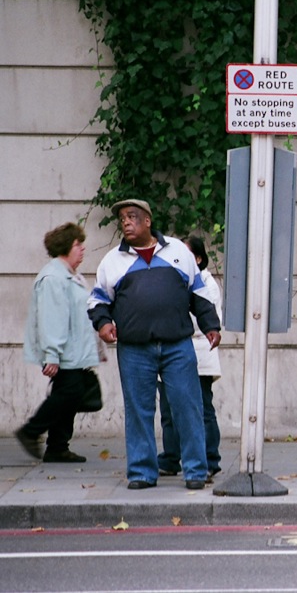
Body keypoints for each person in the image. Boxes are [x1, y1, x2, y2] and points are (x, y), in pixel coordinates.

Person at [88, 200, 221, 491]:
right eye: (122, 218)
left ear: (148, 221)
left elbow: (198, 292)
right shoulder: (112, 261)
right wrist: (103, 323)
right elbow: (98, 300)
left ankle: (196, 470)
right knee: (139, 409)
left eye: (132, 216)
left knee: (188, 406)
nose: (126, 222)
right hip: (134, 349)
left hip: (177, 345)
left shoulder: (177, 252)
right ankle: (141, 472)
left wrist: (210, 325)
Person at [17, 223, 105, 463]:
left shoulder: (71, 276)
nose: (83, 249)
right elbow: (52, 319)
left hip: (75, 352)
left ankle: (57, 446)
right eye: (78, 244)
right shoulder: (53, 278)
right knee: (69, 393)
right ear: (66, 247)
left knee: (70, 396)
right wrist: (52, 355)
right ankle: (31, 431)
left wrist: (96, 348)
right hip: (64, 353)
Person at [157, 235, 224, 481]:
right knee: (168, 409)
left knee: (201, 409)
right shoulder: (170, 281)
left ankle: (209, 460)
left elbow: (202, 320)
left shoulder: (207, 283)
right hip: (170, 352)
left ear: (197, 258)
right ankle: (171, 457)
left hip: (198, 352)